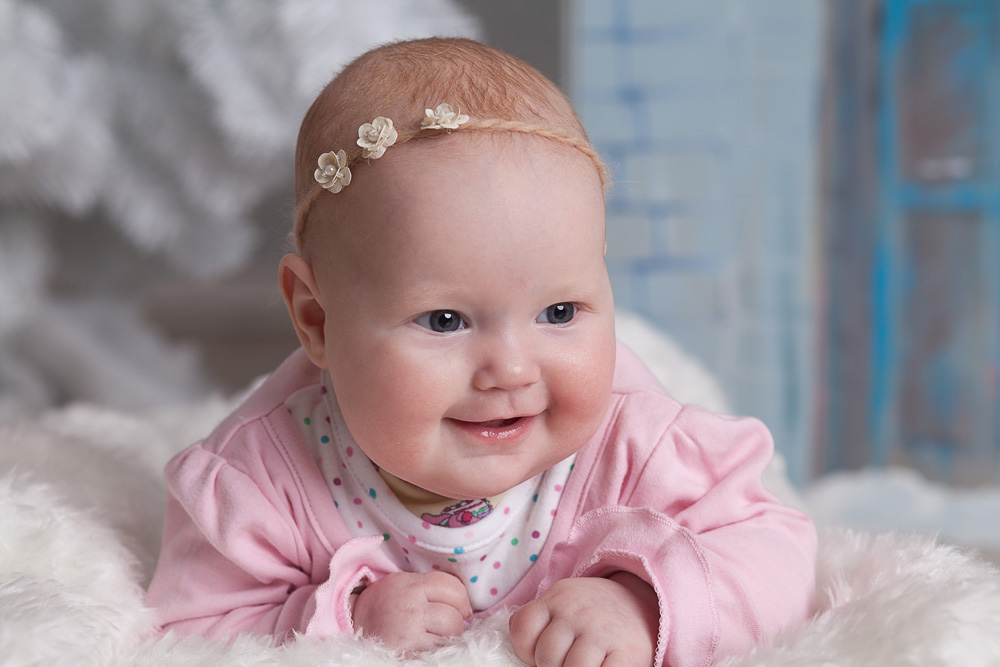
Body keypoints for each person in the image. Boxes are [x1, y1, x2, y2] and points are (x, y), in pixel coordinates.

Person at [145, 37, 816, 667]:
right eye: (445, 320)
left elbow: (774, 551)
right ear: (317, 318)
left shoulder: (634, 445)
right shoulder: (263, 480)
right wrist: (345, 620)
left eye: (559, 312)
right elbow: (193, 631)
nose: (512, 371)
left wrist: (644, 604)